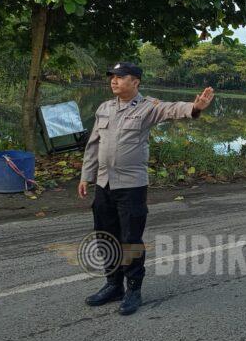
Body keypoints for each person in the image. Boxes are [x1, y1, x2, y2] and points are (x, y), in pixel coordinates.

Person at [78, 62, 215, 316]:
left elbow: (170, 109)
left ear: (135, 82)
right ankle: (113, 285)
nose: (114, 81)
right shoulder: (104, 108)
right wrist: (86, 176)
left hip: (131, 187)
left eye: (120, 77)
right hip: (104, 183)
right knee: (105, 236)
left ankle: (133, 290)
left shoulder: (147, 107)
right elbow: (93, 145)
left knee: (130, 239)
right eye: (112, 77)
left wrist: (194, 108)